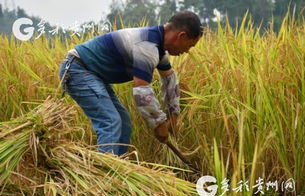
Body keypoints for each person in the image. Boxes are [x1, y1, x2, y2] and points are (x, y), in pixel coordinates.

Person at [58, 11, 203, 156]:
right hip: (78, 69)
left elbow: (170, 80)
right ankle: (106, 172)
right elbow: (142, 90)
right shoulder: (147, 46)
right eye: (189, 46)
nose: (186, 51)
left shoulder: (158, 49)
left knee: (123, 121)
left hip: (93, 73)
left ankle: (118, 167)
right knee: (110, 121)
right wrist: (158, 124)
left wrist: (173, 117)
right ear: (181, 36)